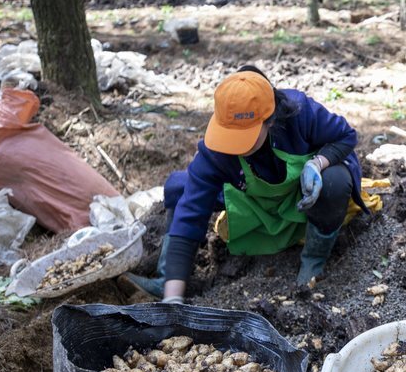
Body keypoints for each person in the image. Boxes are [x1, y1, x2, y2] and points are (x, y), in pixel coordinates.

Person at [123, 66, 367, 303]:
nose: (235, 147)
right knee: (179, 186)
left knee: (335, 180)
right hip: (254, 198)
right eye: (230, 137)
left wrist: (318, 163)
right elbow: (190, 213)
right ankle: (169, 280)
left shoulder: (301, 112)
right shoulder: (216, 148)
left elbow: (346, 136)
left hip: (303, 194)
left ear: (269, 120)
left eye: (245, 138)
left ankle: (313, 263)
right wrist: (173, 298)